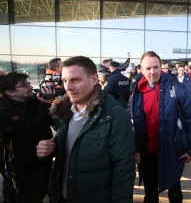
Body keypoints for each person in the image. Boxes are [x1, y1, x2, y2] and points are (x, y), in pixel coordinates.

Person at [36, 56, 135, 203]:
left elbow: (124, 169)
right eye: (64, 80)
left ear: (94, 79)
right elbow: (74, 149)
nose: (68, 87)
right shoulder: (63, 112)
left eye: (75, 80)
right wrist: (51, 149)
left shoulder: (115, 115)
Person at [132, 51, 191, 203]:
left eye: (156, 67)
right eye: (148, 68)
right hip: (147, 154)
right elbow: (137, 124)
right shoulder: (137, 91)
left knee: (174, 190)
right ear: (141, 70)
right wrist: (136, 149)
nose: (152, 71)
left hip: (172, 152)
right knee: (150, 193)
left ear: (161, 68)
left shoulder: (177, 88)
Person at [0, 72, 55, 203]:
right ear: (10, 92)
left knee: (41, 192)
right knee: (27, 197)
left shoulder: (30, 101)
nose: (30, 86)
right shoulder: (4, 110)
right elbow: (30, 129)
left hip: (42, 159)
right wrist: (46, 104)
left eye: (28, 83)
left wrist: (46, 102)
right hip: (24, 166)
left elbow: (49, 121)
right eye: (25, 85)